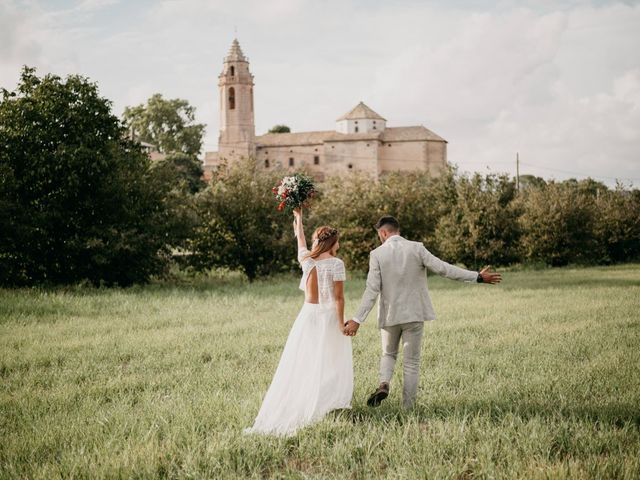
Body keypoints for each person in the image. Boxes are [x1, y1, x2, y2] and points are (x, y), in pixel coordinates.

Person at [343, 216, 501, 409]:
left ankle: (384, 383)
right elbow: (444, 269)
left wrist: (358, 319)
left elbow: (371, 290)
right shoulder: (417, 248)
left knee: (388, 354)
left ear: (383, 233)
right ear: (397, 230)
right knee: (411, 363)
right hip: (414, 314)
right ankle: (408, 408)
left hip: (390, 316)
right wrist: (477, 277)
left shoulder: (377, 254)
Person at [244, 208, 353, 436]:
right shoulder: (336, 263)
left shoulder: (307, 259)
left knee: (306, 360)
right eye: (338, 242)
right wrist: (342, 323)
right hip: (329, 317)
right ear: (333, 242)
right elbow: (339, 298)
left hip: (308, 315)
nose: (339, 246)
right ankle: (324, 402)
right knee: (329, 361)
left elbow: (300, 240)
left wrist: (299, 218)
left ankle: (308, 398)